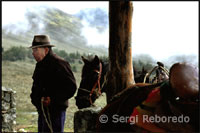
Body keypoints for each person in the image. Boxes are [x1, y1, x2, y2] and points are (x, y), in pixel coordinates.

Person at [29, 35, 77, 132]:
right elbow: (36, 87)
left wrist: (52, 99)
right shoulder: (40, 65)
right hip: (42, 111)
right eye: (33, 50)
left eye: (36, 50)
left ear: (46, 50)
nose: (33, 53)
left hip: (56, 112)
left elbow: (71, 87)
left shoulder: (60, 64)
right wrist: (36, 100)